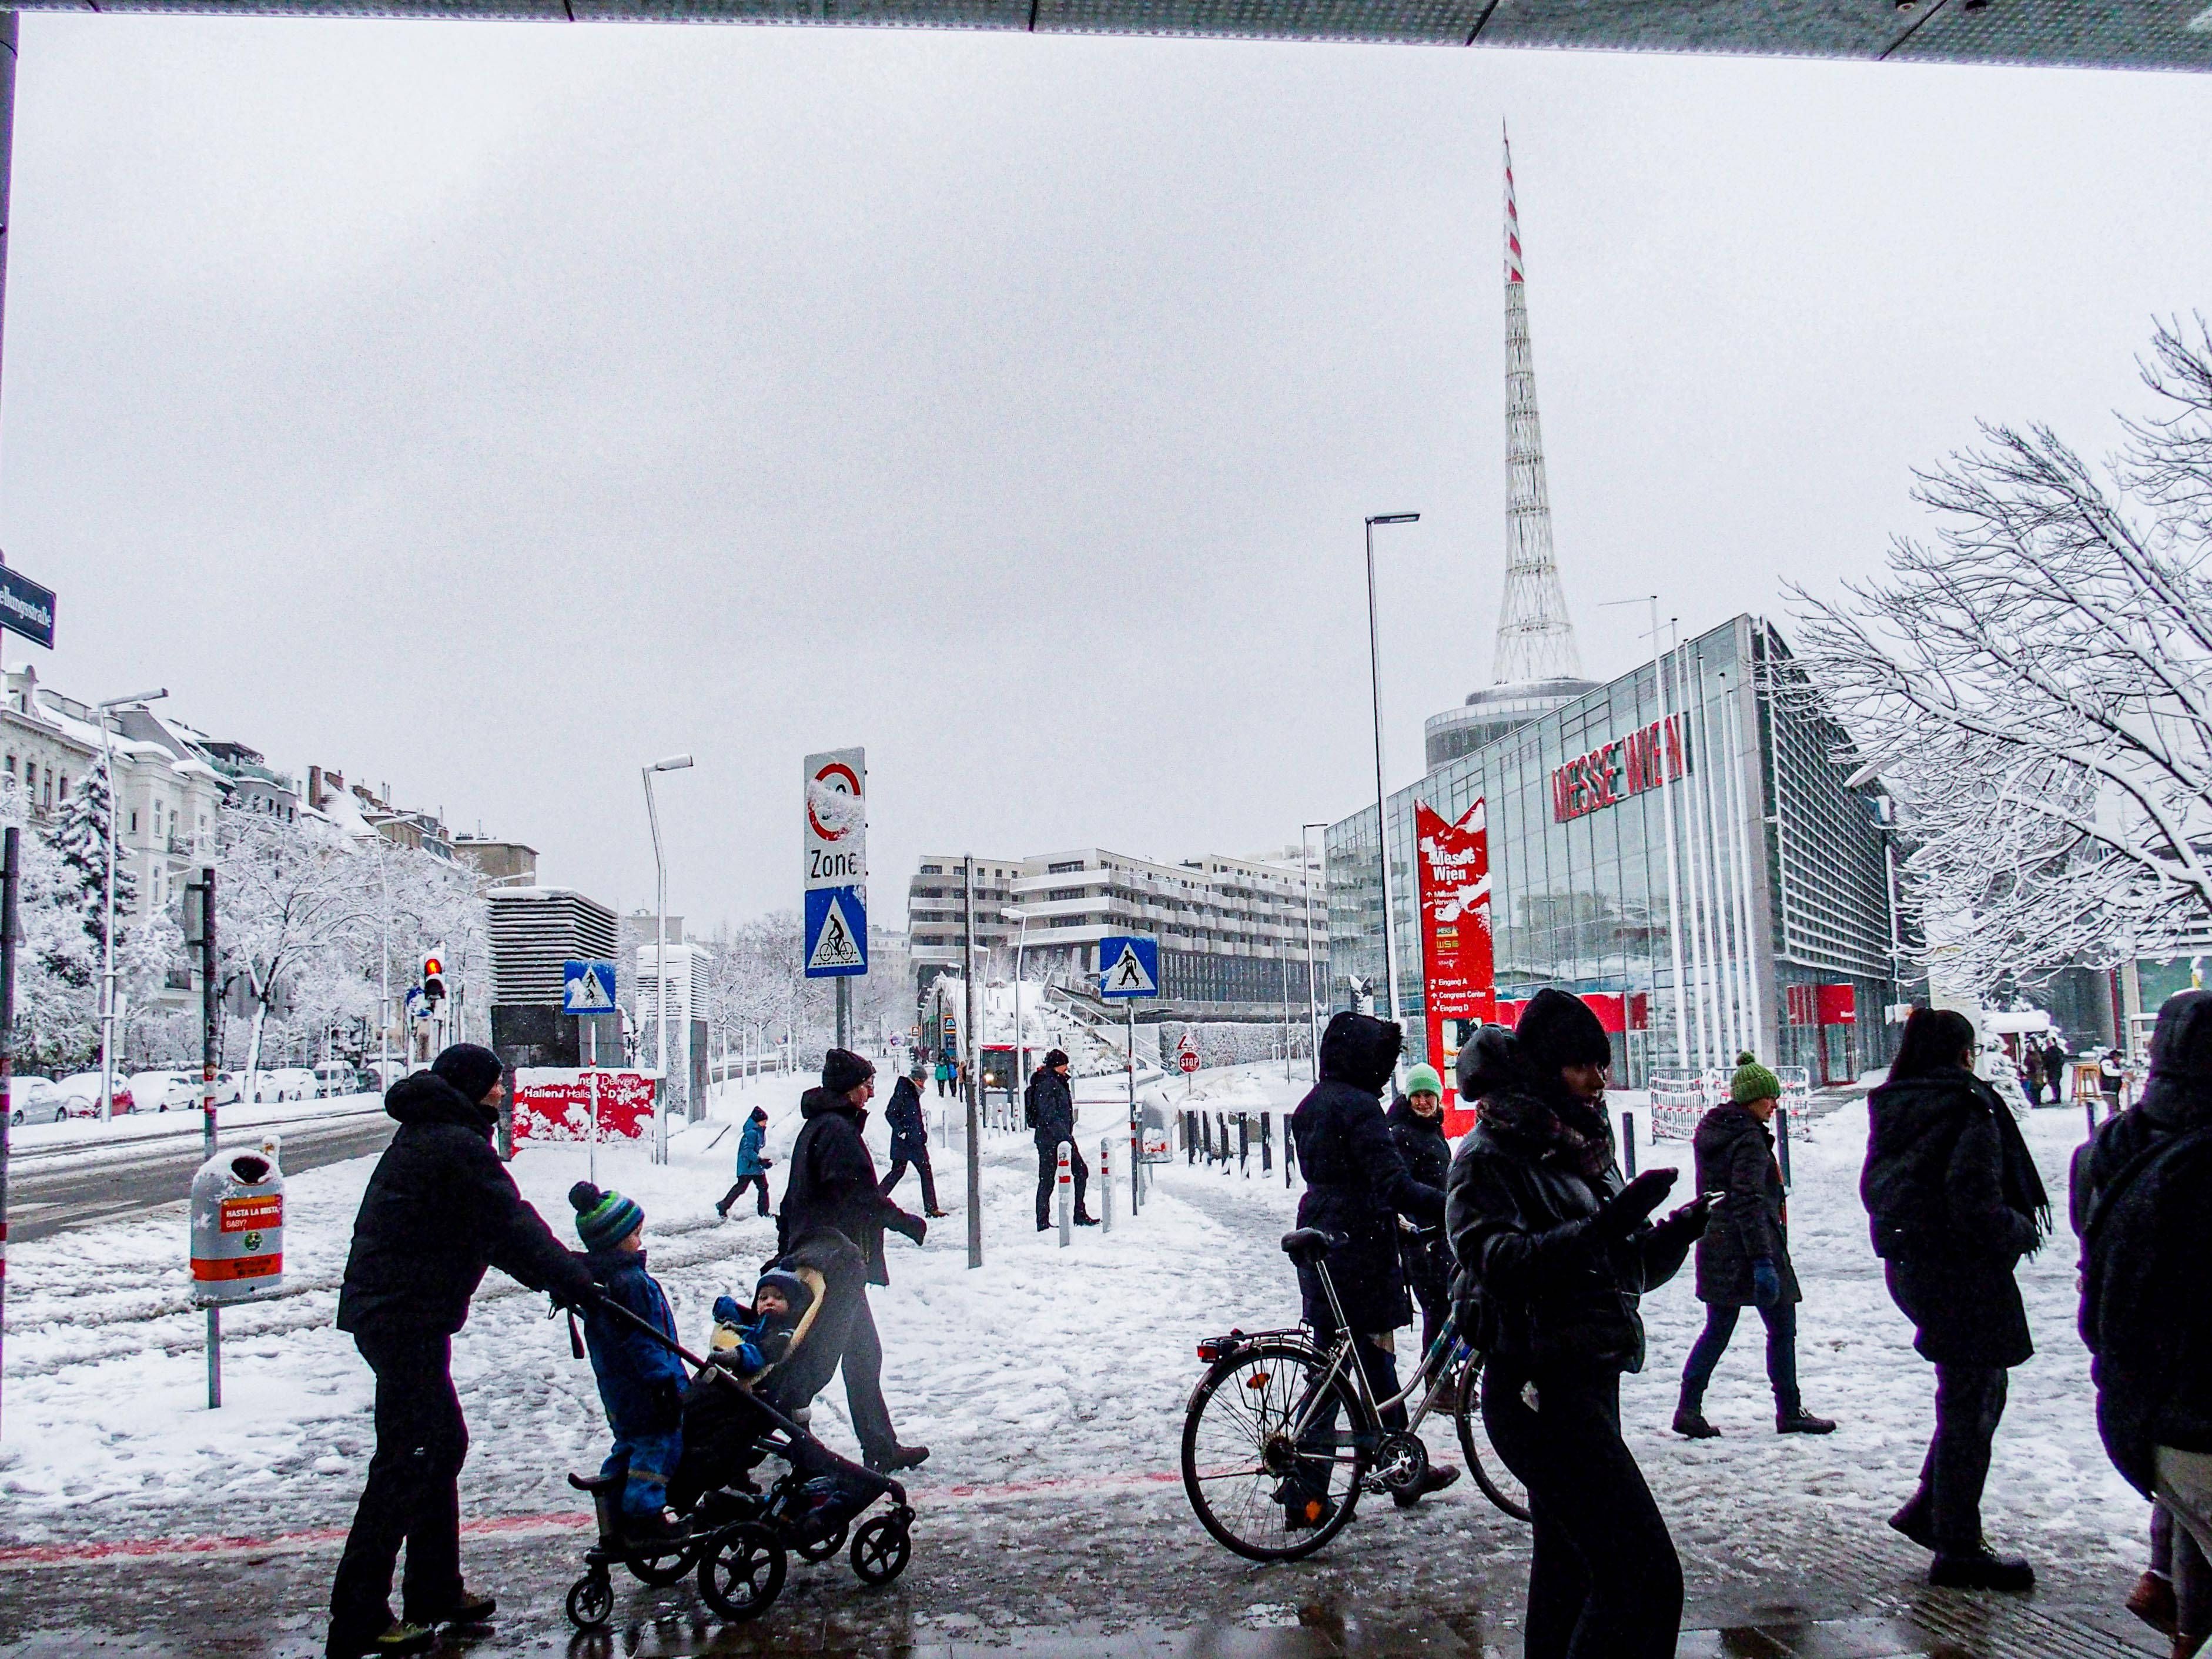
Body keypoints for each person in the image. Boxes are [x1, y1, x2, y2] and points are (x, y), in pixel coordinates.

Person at [1447, 991, 1708, 1659]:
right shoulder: (1488, 1154)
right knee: (1643, 1577)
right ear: (1541, 1068)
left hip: (1589, 1379)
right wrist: (1602, 1226)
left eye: (1602, 1062)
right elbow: (1495, 1260)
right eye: (1582, 1065)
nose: (1598, 1080)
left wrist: (1673, 1233)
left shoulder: (1581, 1146)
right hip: (1536, 1390)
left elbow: (1618, 1271)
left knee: (1567, 1575)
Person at [327, 1044, 597, 1659]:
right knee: (408, 1457)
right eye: (498, 1083)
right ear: (474, 1086)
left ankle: (434, 1589)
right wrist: (574, 1280)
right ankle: (359, 1616)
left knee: (436, 1445)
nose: (504, 1092)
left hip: (402, 1313)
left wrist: (563, 1274)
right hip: (403, 1315)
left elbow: (496, 1231)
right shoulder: (452, 1144)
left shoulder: (437, 1135)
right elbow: (509, 1225)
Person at [1862, 1006, 2049, 1592]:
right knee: (1974, 1398)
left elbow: (1882, 1188)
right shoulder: (1967, 1104)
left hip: (1915, 1265)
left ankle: (1933, 1508)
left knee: (1969, 1390)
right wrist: (2018, 1228)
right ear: (1963, 1050)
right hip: (1963, 1270)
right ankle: (1958, 1545)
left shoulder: (1897, 1104)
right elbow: (1975, 1202)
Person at [2079, 989, 2212, 1659]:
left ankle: (2180, 1610)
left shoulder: (2119, 1142)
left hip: (2147, 1407)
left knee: (2189, 1517)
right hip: (2191, 1400)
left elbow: (2102, 1282)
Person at [1289, 1012, 1457, 1516]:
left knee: (1345, 1360)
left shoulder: (1310, 1104)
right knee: (1347, 1367)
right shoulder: (1360, 1108)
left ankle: (1398, 1466)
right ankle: (1308, 1487)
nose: (1385, 1076)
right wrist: (1456, 1204)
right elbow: (1394, 1186)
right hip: (1358, 1242)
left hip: (1320, 1233)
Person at [777, 1048, 931, 1474]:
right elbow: (858, 1196)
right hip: (832, 1261)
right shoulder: (836, 1132)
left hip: (823, 1256)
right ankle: (780, 1423)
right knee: (823, 1358)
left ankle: (879, 1446)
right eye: (866, 1084)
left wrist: (787, 1244)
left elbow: (793, 1200)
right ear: (849, 1089)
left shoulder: (819, 1127)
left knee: (859, 1353)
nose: (871, 1091)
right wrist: (902, 1222)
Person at [1675, 1055, 1836, 1438]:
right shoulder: (1746, 1140)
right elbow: (1747, 1199)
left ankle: (1688, 1407)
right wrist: (1763, 1259)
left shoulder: (1717, 1132)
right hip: (1750, 1244)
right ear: (1752, 1099)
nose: (1774, 1104)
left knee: (1717, 1329)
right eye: (1768, 1098)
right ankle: (1789, 1410)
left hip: (1718, 1243)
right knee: (1782, 1328)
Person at [570, 1183, 688, 1540]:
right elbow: (644, 1340)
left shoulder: (601, 1282)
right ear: (617, 1239)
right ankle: (645, 1515)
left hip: (618, 1390)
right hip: (647, 1388)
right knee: (657, 1445)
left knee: (629, 1444)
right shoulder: (630, 1283)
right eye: (636, 1234)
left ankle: (611, 1506)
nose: (641, 1240)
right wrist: (663, 1381)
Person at [1385, 1063, 1453, 1365]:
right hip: (1421, 1239)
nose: (1423, 1102)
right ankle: (1437, 1377)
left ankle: (1442, 1377)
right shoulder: (1402, 1135)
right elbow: (1404, 1189)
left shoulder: (1432, 1130)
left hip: (1439, 1235)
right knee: (1437, 1309)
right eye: (1417, 1096)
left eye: (1429, 1095)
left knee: (1444, 1308)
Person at [1027, 1049, 1098, 1230]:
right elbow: (1048, 1114)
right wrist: (1065, 1138)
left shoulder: (1055, 1081)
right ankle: (1044, 1221)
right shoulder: (1047, 1083)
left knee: (1077, 1172)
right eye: (1064, 1064)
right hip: (1052, 1139)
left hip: (1059, 1138)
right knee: (1049, 1179)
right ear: (1057, 1065)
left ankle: (1077, 1214)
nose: (1067, 1067)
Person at [879, 1059, 949, 1218]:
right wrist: (901, 1131)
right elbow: (890, 1113)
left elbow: (913, 1117)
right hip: (906, 1142)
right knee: (904, 1172)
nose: (924, 1084)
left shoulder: (910, 1091)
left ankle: (876, 1199)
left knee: (908, 1172)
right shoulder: (904, 1091)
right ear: (916, 1079)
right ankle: (875, 1200)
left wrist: (921, 1134)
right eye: (923, 1080)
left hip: (914, 1142)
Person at [716, 1106, 773, 1219]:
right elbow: (747, 1151)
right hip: (748, 1167)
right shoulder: (752, 1133)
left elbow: (760, 1149)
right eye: (764, 1121)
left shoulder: (760, 1132)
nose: (765, 1123)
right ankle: (723, 1206)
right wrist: (760, 1160)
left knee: (763, 1188)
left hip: (756, 1166)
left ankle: (764, 1212)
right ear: (757, 1121)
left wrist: (764, 1159)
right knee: (741, 1189)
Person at [2044, 1037, 2071, 1108]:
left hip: (2055, 1070)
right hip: (2051, 1070)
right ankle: (2055, 1097)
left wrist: (2057, 1066)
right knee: (2053, 1084)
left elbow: (2061, 1061)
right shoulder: (2048, 1051)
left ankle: (2057, 1098)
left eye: (2050, 1042)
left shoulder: (2057, 1051)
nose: (2048, 1043)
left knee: (2055, 1083)